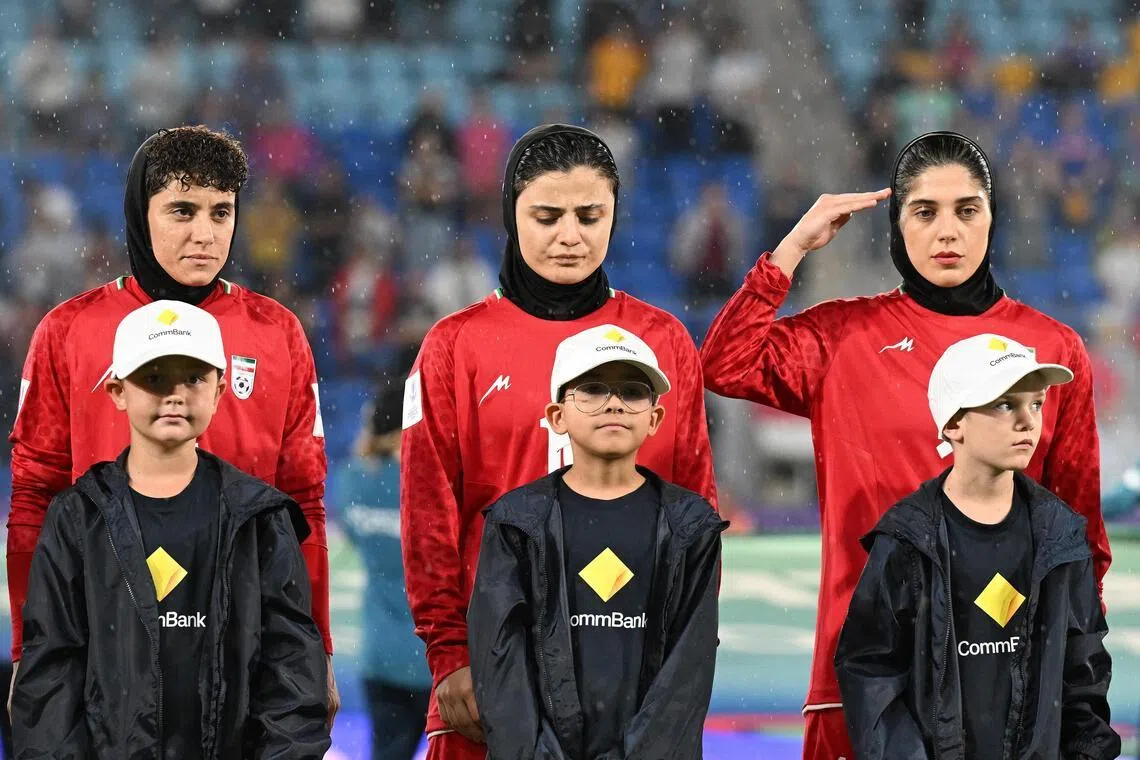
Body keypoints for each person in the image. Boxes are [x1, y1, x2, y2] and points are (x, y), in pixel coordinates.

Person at [699, 131, 1110, 759]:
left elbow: (1081, 539)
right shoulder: (844, 338)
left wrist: (1076, 684)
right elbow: (725, 365)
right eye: (925, 211)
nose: (948, 231)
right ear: (896, 224)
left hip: (1008, 680)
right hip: (863, 681)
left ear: (992, 217)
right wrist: (789, 252)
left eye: (967, 209)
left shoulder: (1053, 352)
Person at [400, 124, 718, 760]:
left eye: (589, 215)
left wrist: (676, 679)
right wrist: (449, 654)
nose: (569, 236)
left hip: (633, 677)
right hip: (492, 677)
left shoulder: (665, 343)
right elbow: (428, 518)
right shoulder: (452, 347)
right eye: (546, 216)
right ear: (510, 214)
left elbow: (694, 522)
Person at [6, 125, 338, 719]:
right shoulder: (68, 331)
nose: (205, 234)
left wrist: (319, 653)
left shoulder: (277, 332)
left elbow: (303, 507)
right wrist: (31, 655)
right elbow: (35, 502)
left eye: (221, 212)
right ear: (141, 210)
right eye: (182, 210)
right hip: (104, 647)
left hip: (247, 646)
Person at [12, 300, 330, 758]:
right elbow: (51, 675)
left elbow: (291, 672)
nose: (175, 393)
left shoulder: (260, 518)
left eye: (194, 378)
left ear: (221, 390)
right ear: (117, 391)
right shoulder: (77, 518)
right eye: (154, 377)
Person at [836, 333, 1119, 760]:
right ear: (953, 424)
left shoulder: (1062, 535)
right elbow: (871, 676)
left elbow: (1084, 679)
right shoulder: (906, 538)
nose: (1027, 421)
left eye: (1035, 403)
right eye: (1004, 404)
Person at [469, 325, 725, 759]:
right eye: (591, 389)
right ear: (557, 416)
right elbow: (501, 659)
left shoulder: (691, 527)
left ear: (654, 418)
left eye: (632, 391)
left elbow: (687, 671)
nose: (614, 403)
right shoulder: (516, 523)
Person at [333, 381, 431, 760]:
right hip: (438, 657)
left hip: (381, 655)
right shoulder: (431, 485)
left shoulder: (352, 480)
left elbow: (358, 537)